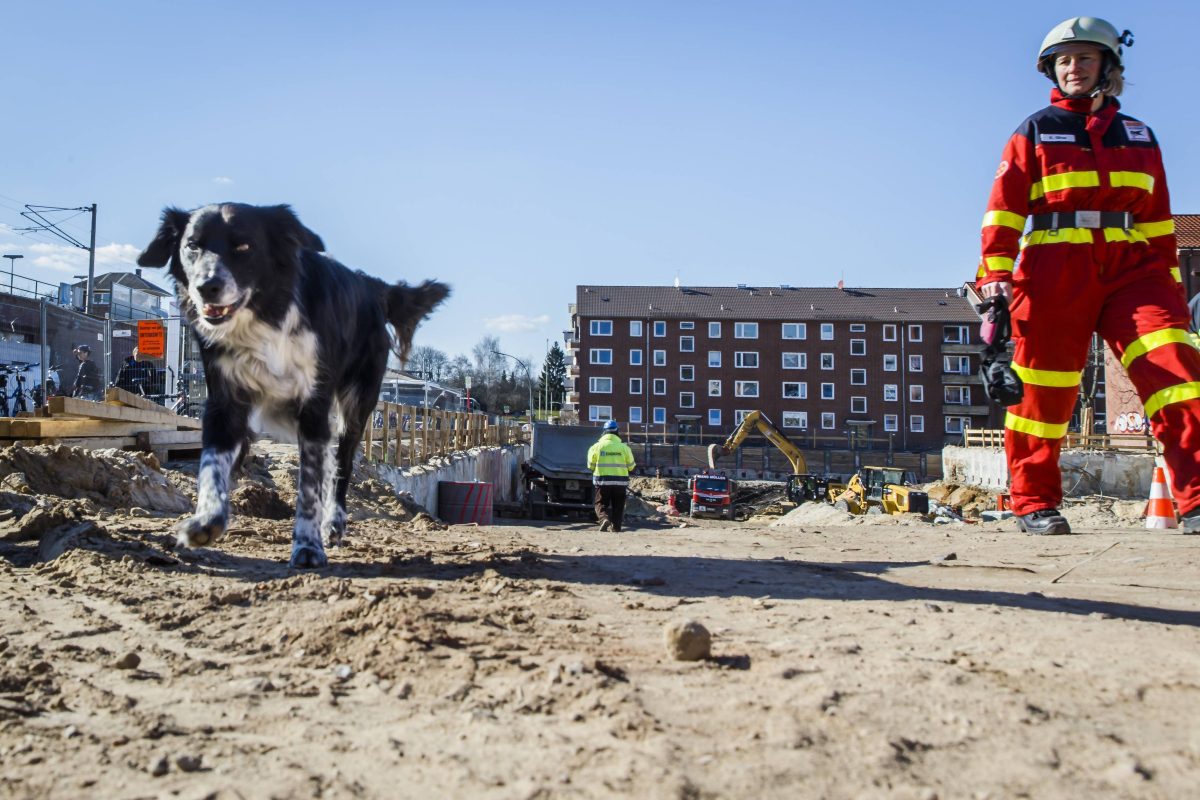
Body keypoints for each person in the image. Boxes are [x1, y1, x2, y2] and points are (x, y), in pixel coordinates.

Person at [977, 17, 1200, 535]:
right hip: (1055, 267)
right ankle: (1034, 504)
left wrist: (1170, 285)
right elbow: (1003, 211)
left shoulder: (1141, 136)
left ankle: (1195, 500)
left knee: (1178, 375)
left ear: (1108, 66)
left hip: (1135, 271)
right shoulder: (1033, 130)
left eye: (1083, 58)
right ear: (1051, 69)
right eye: (1063, 60)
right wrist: (995, 275)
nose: (1073, 68)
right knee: (1042, 391)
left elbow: (1159, 219)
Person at [587, 419, 636, 532]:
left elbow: (590, 466)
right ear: (617, 431)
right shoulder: (624, 448)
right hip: (620, 483)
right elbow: (631, 466)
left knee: (600, 503)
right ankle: (616, 529)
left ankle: (604, 519)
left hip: (603, 481)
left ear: (604, 432)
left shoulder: (596, 447)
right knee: (618, 507)